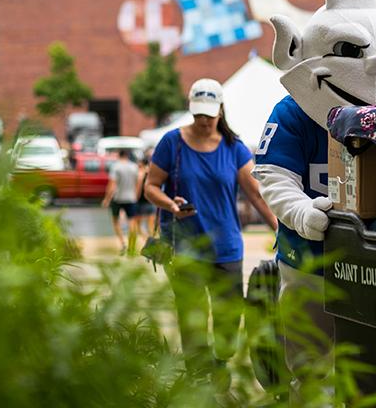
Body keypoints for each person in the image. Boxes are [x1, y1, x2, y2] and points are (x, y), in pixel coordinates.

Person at [253, 0, 376, 397]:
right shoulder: (293, 112)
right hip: (309, 260)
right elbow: (272, 173)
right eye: (351, 49)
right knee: (312, 363)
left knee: (374, 368)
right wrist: (302, 211)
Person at [144, 78, 277, 366]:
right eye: (199, 113)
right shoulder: (172, 143)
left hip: (226, 248)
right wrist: (170, 204)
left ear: (221, 110)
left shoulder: (234, 147)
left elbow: (256, 194)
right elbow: (150, 186)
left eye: (209, 113)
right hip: (185, 249)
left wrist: (280, 228)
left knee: (229, 321)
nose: (204, 119)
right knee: (192, 319)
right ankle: (200, 377)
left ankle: (221, 362)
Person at [101, 148, 140, 253]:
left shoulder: (116, 167)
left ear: (119, 155)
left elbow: (112, 185)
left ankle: (123, 243)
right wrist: (136, 195)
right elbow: (138, 182)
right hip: (131, 197)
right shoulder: (134, 166)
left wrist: (106, 199)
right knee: (132, 221)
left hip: (117, 197)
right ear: (127, 155)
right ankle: (132, 245)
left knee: (116, 221)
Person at [134, 148, 157, 238]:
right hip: (151, 201)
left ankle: (146, 241)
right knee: (151, 226)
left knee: (138, 226)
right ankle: (152, 242)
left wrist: (135, 199)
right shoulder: (152, 172)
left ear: (141, 164)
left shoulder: (141, 174)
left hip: (142, 202)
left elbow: (139, 188)